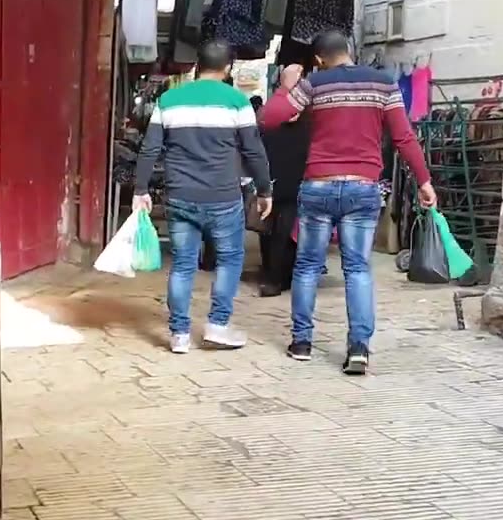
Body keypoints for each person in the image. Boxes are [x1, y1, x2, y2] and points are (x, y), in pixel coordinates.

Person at [260, 29, 436, 374]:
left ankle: (302, 342)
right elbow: (403, 136)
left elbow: (268, 118)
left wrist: (285, 86)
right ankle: (358, 349)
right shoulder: (384, 84)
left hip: (319, 187)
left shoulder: (316, 84)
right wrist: (424, 180)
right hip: (362, 188)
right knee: (357, 268)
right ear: (350, 51)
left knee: (308, 266)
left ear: (319, 59)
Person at [133, 40, 272, 354]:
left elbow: (150, 148)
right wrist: (265, 190)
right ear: (228, 68)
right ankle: (217, 327)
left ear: (197, 64)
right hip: (223, 196)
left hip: (180, 195)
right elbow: (253, 150)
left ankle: (179, 334)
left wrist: (141, 190)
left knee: (183, 264)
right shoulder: (238, 102)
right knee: (230, 259)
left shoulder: (169, 100)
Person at [257, 109, 312, 297]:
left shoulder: (269, 134)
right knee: (286, 235)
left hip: (272, 187)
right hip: (295, 189)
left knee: (267, 233)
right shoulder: (308, 134)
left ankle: (269, 274)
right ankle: (281, 277)